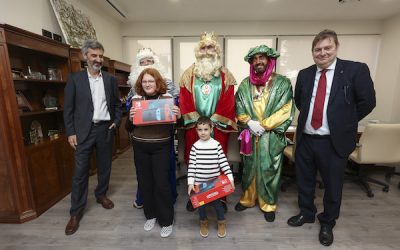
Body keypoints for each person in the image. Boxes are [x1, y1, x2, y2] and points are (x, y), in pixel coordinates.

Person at [287, 29, 376, 246]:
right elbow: (300, 101)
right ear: (312, 52)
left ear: (336, 47)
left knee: (333, 186)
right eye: (318, 49)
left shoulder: (355, 70)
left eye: (328, 48)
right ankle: (307, 213)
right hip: (307, 139)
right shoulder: (305, 74)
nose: (323, 53)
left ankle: (327, 221)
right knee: (305, 181)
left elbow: (368, 102)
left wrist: (345, 121)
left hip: (333, 141)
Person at [63, 40, 122, 235]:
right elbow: (68, 109)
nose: (98, 59)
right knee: (80, 173)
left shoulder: (110, 80)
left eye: (100, 56)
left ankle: (101, 195)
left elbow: (116, 105)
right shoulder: (75, 79)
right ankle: (75, 212)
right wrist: (71, 132)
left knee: (105, 166)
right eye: (94, 55)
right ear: (85, 57)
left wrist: (116, 122)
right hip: (82, 133)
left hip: (105, 129)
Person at [234, 45, 294, 222]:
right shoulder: (245, 84)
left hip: (271, 136)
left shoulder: (283, 83)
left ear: (269, 60)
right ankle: (247, 200)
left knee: (269, 169)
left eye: (262, 58)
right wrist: (249, 122)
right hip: (250, 136)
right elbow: (238, 106)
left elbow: (286, 109)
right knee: (249, 168)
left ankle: (268, 203)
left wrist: (265, 125)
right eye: (254, 59)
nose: (258, 61)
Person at [179, 32, 237, 212]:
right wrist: (200, 125)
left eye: (210, 47)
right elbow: (184, 101)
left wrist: (211, 124)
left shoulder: (226, 75)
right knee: (195, 163)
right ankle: (196, 196)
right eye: (203, 47)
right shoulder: (188, 74)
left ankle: (220, 198)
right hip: (195, 128)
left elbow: (228, 103)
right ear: (198, 51)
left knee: (218, 163)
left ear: (216, 50)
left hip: (218, 128)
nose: (206, 51)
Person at [128, 68, 181, 238]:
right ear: (140, 84)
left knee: (161, 184)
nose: (148, 84)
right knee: (145, 182)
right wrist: (130, 119)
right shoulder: (135, 100)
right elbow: (128, 128)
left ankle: (166, 220)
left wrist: (179, 117)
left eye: (151, 81)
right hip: (140, 147)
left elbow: (176, 126)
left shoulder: (167, 99)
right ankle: (150, 215)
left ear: (157, 82)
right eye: (144, 81)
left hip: (161, 147)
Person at [125, 47, 179, 209]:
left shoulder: (168, 84)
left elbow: (175, 107)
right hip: (142, 138)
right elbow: (129, 112)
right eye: (142, 62)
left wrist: (176, 112)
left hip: (162, 137)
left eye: (150, 61)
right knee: (144, 174)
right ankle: (144, 199)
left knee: (163, 171)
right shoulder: (134, 88)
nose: (146, 64)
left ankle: (167, 197)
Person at [187, 116, 235, 238]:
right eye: (200, 130)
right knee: (201, 206)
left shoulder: (216, 145)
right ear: (196, 130)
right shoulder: (195, 147)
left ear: (211, 129)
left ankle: (221, 222)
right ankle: (203, 222)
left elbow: (224, 163)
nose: (203, 133)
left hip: (214, 184)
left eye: (205, 129)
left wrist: (230, 178)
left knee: (217, 204)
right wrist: (190, 183)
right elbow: (192, 166)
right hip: (199, 183)